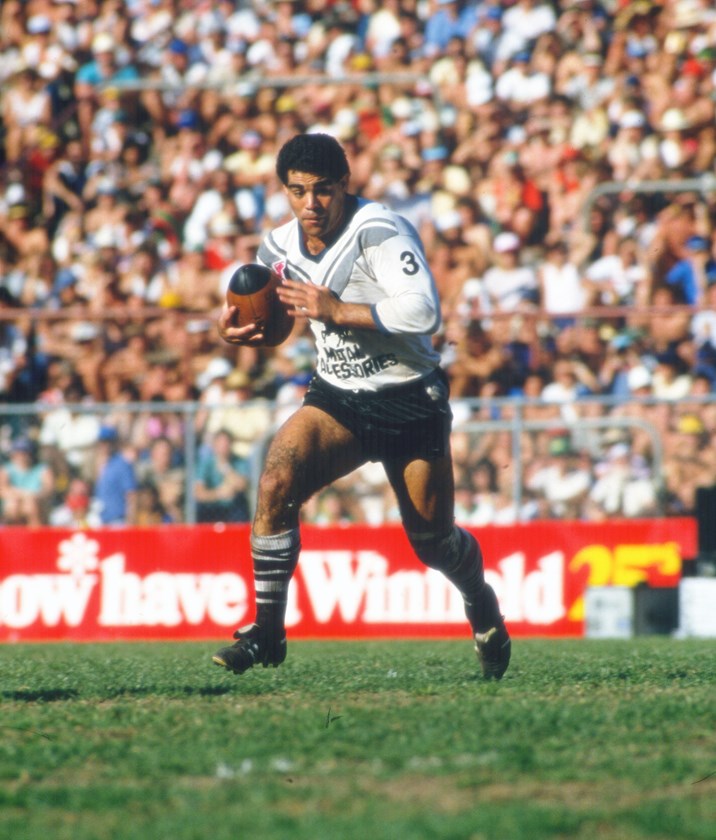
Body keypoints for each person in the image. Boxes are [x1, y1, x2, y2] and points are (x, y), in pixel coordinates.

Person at [212, 133, 511, 680]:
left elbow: (424, 313)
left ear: (344, 186)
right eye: (298, 192)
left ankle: (480, 600)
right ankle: (267, 632)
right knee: (276, 478)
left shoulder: (380, 229)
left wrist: (337, 309)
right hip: (338, 400)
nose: (311, 205)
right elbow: (280, 325)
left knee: (433, 543)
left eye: (323, 191)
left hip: (409, 401)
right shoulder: (276, 249)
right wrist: (246, 334)